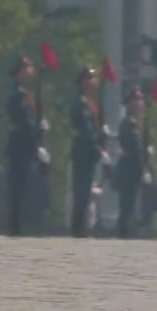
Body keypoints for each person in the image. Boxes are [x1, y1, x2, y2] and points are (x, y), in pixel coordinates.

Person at [5, 54, 47, 236]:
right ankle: (15, 228)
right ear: (19, 73)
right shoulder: (19, 95)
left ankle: (21, 226)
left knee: (26, 187)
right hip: (22, 144)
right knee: (18, 187)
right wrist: (37, 139)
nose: (31, 71)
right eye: (26, 68)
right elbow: (25, 121)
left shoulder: (27, 94)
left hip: (27, 144)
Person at [69, 65, 107, 237]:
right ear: (83, 82)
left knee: (85, 193)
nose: (94, 81)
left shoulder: (92, 103)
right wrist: (96, 147)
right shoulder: (81, 103)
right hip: (83, 152)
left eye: (94, 78)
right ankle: (78, 230)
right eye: (90, 78)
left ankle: (82, 227)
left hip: (88, 152)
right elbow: (86, 130)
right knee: (82, 193)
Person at [115, 86, 150, 238]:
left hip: (133, 168)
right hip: (130, 168)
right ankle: (124, 233)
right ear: (129, 103)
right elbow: (135, 149)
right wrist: (143, 168)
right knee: (127, 203)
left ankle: (129, 231)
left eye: (141, 99)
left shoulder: (137, 122)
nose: (139, 102)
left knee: (131, 201)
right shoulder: (129, 123)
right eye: (136, 99)